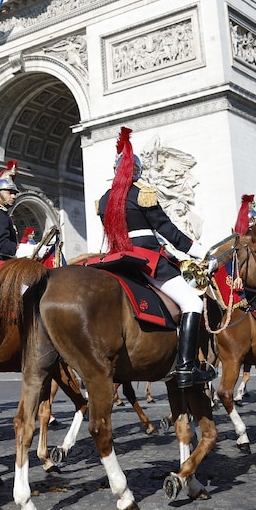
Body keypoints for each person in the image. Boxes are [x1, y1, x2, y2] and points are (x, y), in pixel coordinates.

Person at [97, 127, 216, 389]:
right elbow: (169, 231)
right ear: (137, 172)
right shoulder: (143, 193)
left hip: (116, 259)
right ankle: (186, 365)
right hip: (147, 260)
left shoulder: (105, 200)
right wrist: (201, 252)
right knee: (192, 304)